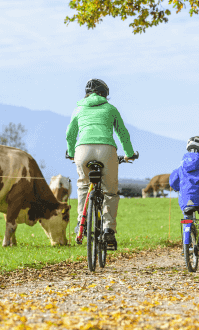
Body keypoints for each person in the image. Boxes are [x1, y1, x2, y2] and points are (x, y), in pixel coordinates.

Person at [66, 78, 135, 250]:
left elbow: (69, 134)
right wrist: (129, 154)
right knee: (110, 191)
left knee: (83, 185)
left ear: (86, 94)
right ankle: (109, 230)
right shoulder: (110, 109)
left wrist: (71, 153)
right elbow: (123, 134)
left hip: (82, 150)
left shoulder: (78, 109)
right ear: (105, 95)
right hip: (106, 150)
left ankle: (81, 222)